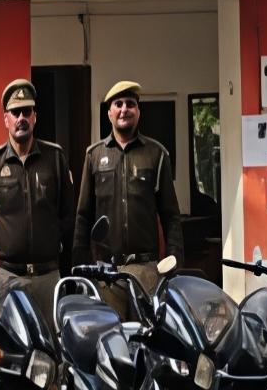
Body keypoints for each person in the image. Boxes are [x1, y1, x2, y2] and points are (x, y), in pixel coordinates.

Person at [73, 80, 184, 319]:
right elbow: (83, 216)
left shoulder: (156, 154)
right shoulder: (94, 156)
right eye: (118, 104)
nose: (124, 109)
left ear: (138, 111)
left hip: (146, 272)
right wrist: (83, 268)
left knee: (148, 336)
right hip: (106, 275)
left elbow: (171, 215)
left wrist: (174, 260)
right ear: (109, 113)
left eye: (130, 104)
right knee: (111, 336)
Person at [0, 79, 74, 318]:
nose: (21, 118)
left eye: (26, 111)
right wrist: (1, 242)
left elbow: (68, 215)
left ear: (34, 117)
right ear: (6, 119)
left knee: (50, 341)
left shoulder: (54, 157)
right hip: (10, 277)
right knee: (10, 341)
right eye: (15, 112)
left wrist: (52, 241)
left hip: (48, 277)